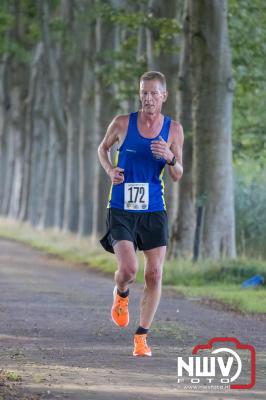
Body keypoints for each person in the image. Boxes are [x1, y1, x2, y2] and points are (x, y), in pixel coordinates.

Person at [98, 71, 184, 357]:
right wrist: (110, 170)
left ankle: (141, 336)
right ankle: (121, 294)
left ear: (164, 96)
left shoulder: (173, 130)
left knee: (155, 273)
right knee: (129, 270)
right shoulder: (123, 123)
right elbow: (102, 148)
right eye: (143, 92)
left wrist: (169, 157)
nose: (147, 98)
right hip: (122, 207)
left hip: (153, 209)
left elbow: (177, 174)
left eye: (153, 93)